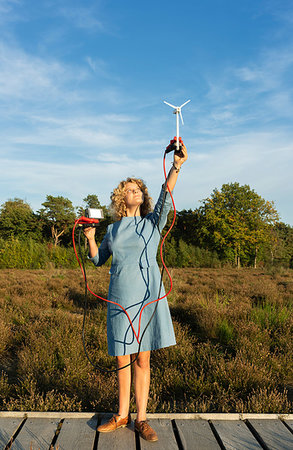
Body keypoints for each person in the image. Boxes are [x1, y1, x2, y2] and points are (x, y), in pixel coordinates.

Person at [84, 140, 188, 442]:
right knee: (122, 358)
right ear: (121, 197)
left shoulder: (153, 223)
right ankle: (121, 415)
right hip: (119, 295)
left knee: (143, 358)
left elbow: (167, 197)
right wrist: (91, 237)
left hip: (147, 294)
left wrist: (176, 166)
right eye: (130, 189)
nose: (136, 192)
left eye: (139, 189)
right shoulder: (113, 230)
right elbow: (97, 259)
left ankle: (141, 419)